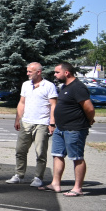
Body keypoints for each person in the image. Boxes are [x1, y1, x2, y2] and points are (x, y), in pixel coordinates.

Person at [39, 62, 94, 196]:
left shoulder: (78, 87)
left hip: (74, 129)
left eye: (57, 72)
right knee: (57, 155)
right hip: (60, 128)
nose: (55, 74)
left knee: (77, 157)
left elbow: (89, 108)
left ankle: (77, 188)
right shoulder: (65, 86)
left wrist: (89, 120)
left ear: (67, 73)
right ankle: (55, 184)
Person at [7, 62, 58, 187]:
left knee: (40, 152)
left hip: (42, 123)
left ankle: (38, 177)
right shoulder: (26, 85)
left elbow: (53, 105)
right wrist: (17, 119)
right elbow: (22, 103)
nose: (27, 73)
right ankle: (19, 175)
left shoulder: (49, 86)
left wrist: (52, 123)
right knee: (20, 150)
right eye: (27, 71)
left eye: (30, 71)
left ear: (38, 72)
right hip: (26, 122)